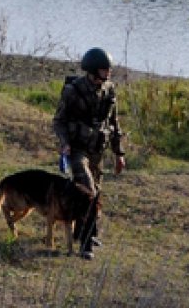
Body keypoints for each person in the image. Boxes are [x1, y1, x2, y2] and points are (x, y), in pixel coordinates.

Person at [53, 47, 126, 259]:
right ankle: (85, 245)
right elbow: (59, 121)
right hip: (78, 149)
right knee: (87, 190)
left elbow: (114, 123)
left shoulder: (109, 91)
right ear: (93, 71)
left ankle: (87, 232)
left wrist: (119, 153)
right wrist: (65, 143)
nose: (108, 74)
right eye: (105, 70)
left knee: (97, 193)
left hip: (97, 150)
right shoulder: (73, 91)